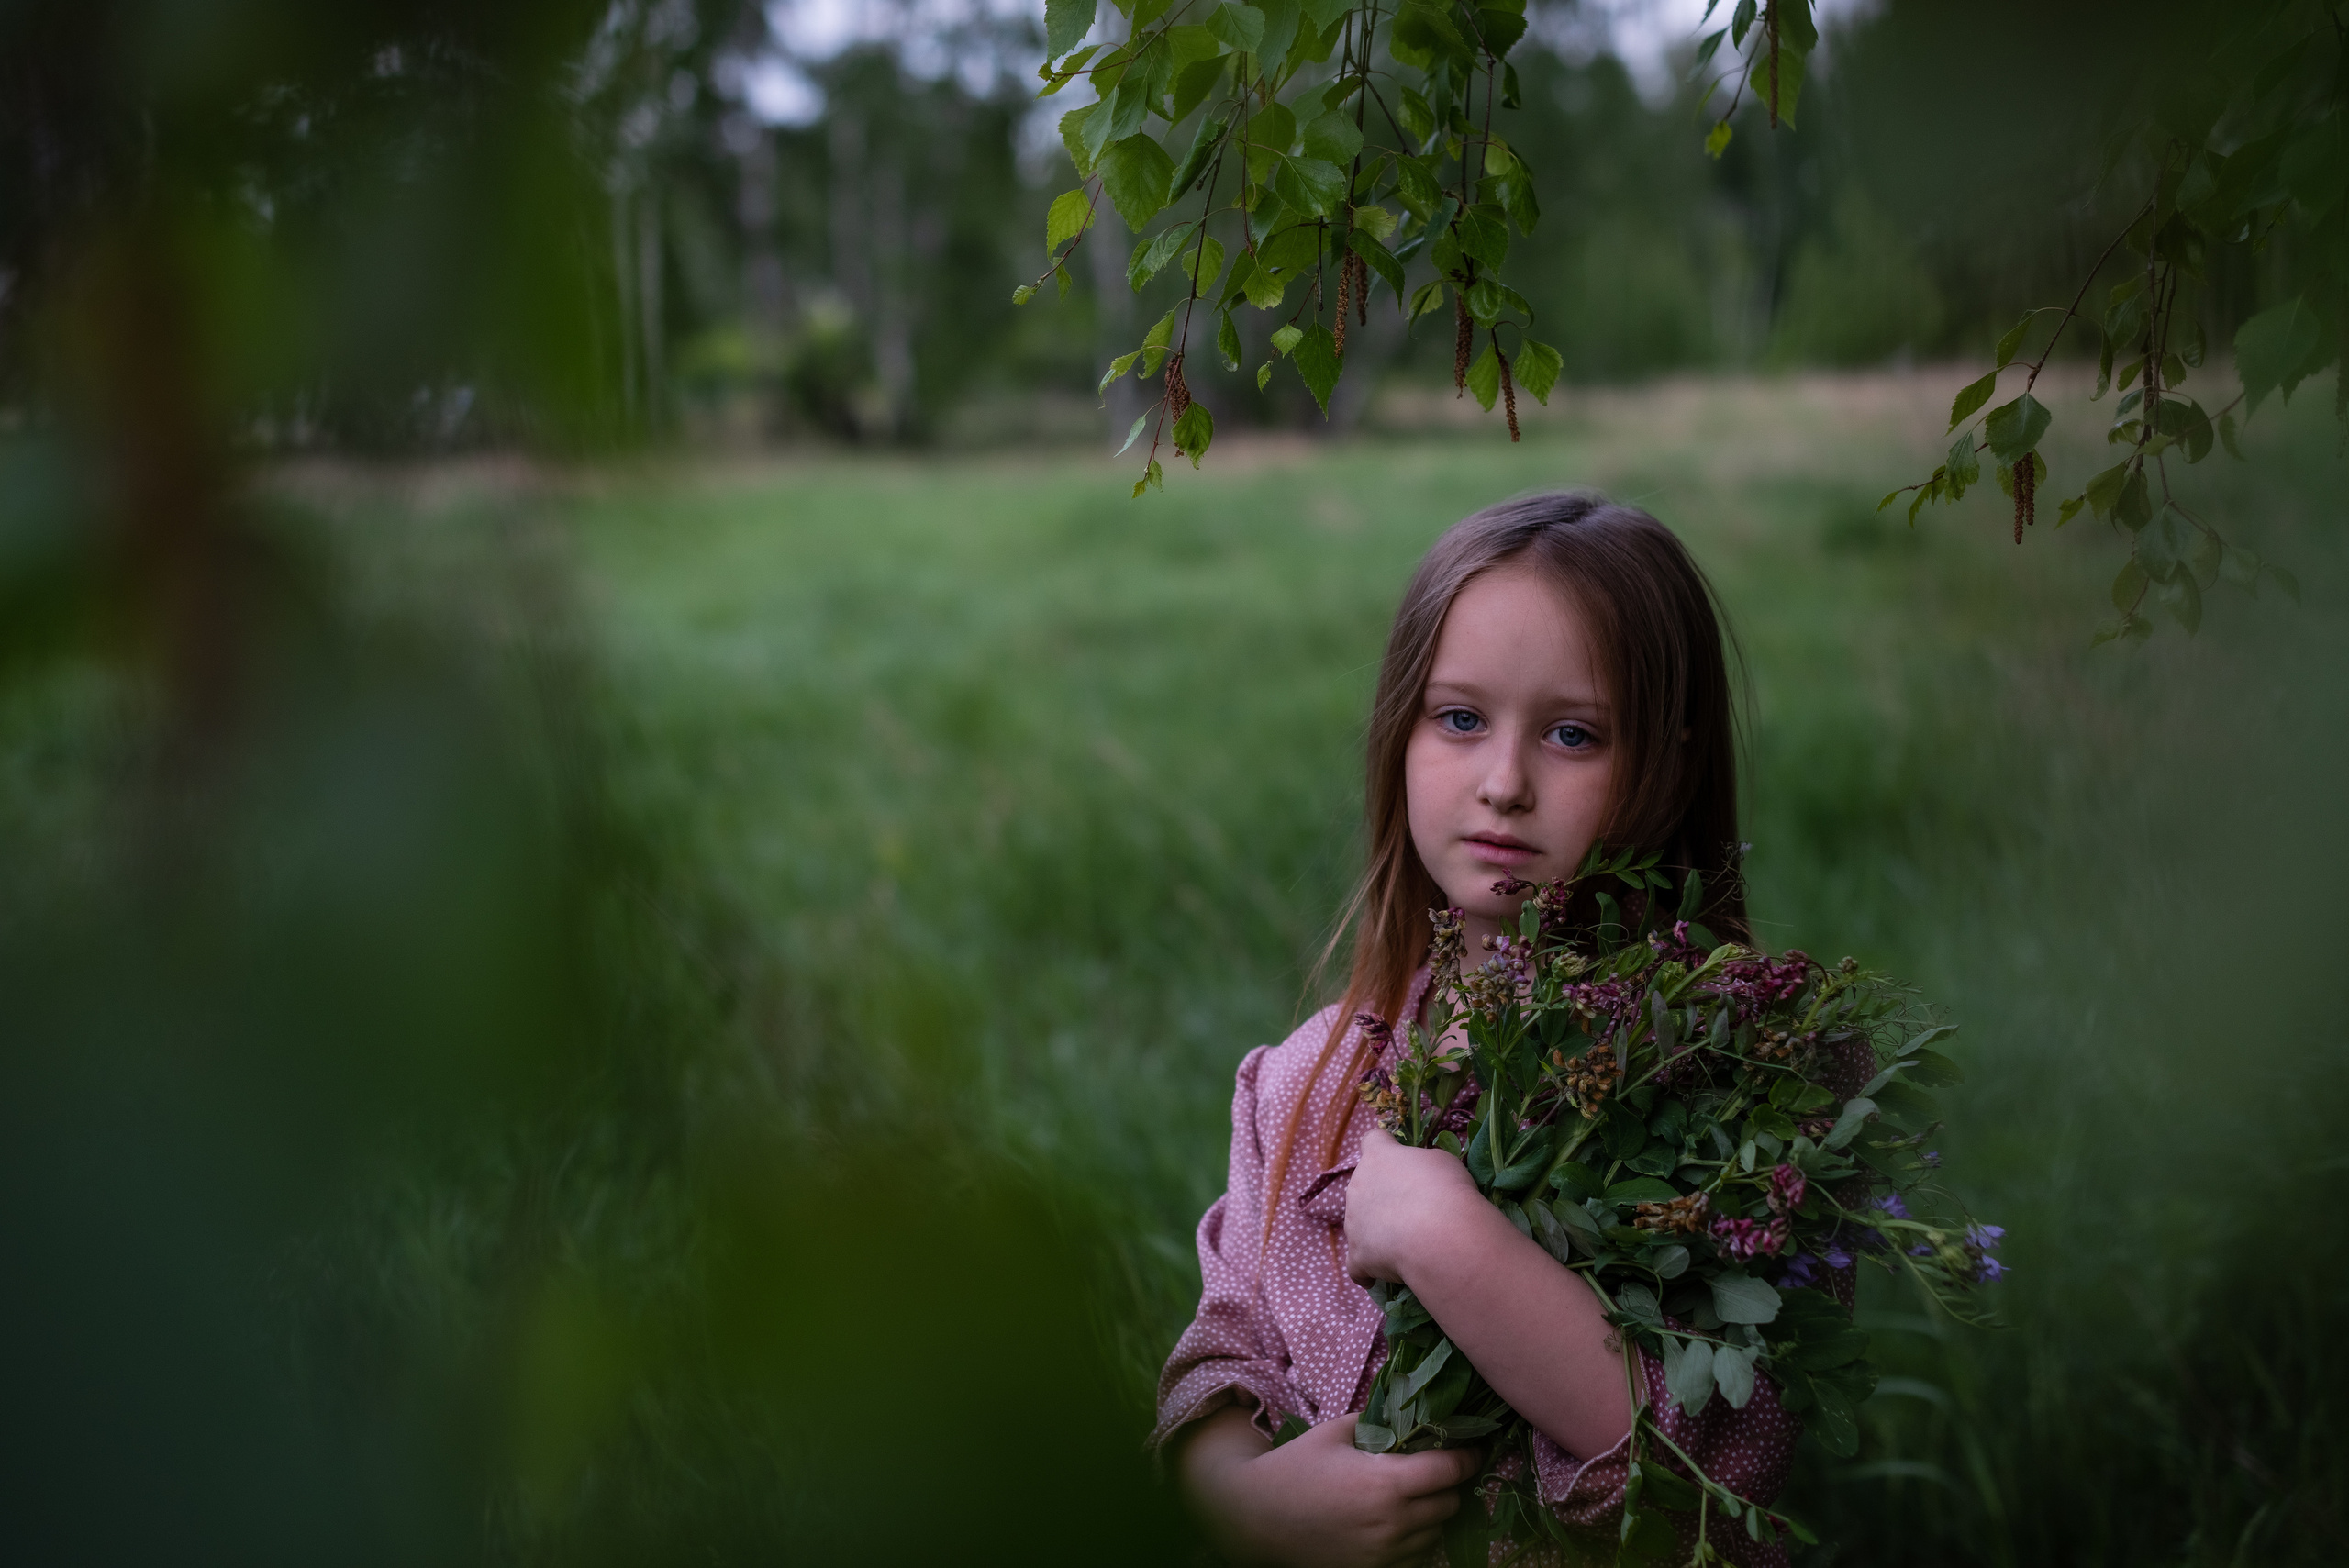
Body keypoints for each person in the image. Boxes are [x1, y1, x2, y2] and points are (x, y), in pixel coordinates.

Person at [1153, 494, 1801, 1567]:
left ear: (1671, 761)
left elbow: (1710, 1467)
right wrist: (1234, 1498)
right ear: (1397, 734)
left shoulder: (1739, 1076)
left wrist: (1447, 1236)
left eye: (1572, 733)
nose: (1504, 784)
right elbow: (1225, 1338)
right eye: (1458, 718)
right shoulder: (1309, 1078)